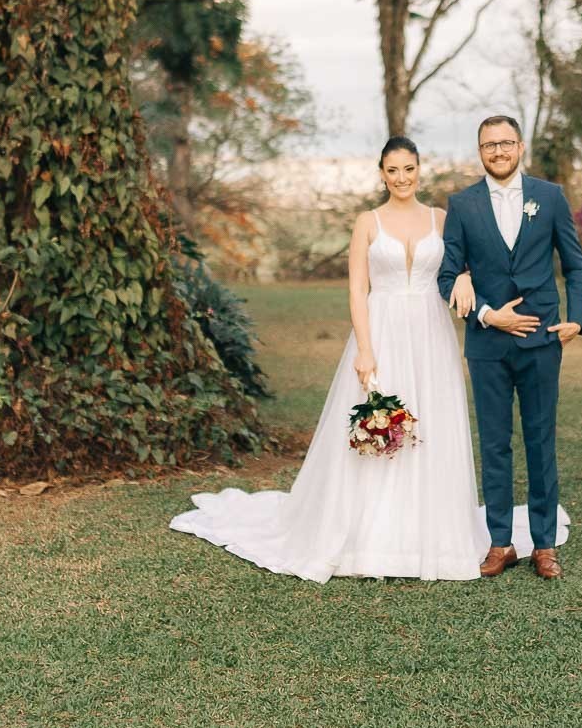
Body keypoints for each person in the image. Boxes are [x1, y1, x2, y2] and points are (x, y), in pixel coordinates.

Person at [170, 135, 560, 581]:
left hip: (431, 334)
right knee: (383, 426)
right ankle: (376, 532)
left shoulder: (441, 218)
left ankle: (433, 529)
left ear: (419, 170)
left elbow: (463, 263)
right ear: (382, 174)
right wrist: (365, 349)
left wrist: (466, 277)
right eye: (392, 171)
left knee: (432, 424)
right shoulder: (367, 223)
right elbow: (358, 289)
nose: (402, 178)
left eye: (408, 169)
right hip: (384, 330)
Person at [437, 115, 582, 581]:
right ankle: (500, 543)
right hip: (487, 345)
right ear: (480, 151)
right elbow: (447, 276)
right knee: (495, 444)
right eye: (489, 145)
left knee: (541, 441)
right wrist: (487, 314)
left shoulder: (550, 196)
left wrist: (577, 319)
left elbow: (575, 266)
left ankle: (544, 545)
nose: (498, 151)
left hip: (542, 340)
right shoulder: (462, 205)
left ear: (520, 147)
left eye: (506, 143)